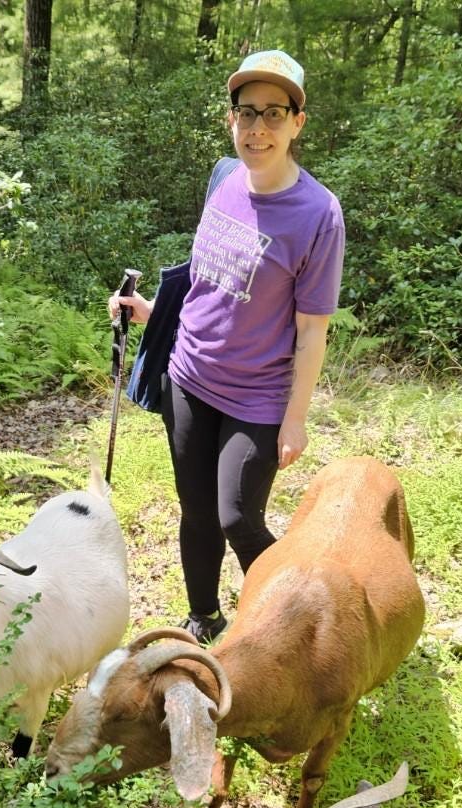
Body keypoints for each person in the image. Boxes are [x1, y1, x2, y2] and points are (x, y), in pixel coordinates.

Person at [111, 50, 344, 644]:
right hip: (188, 375)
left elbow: (312, 328)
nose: (257, 127)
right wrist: (148, 312)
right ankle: (204, 618)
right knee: (196, 513)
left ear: (298, 121)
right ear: (231, 120)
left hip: (259, 396)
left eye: (273, 113)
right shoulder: (222, 178)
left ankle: (291, 624)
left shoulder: (318, 215)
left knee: (236, 516)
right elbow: (208, 280)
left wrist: (295, 419)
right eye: (246, 112)